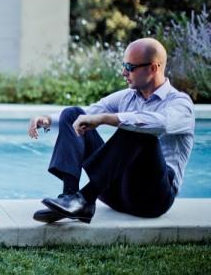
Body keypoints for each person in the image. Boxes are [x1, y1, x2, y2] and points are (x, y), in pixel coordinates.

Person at [28, 38, 195, 224]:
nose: (124, 72)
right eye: (124, 65)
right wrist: (47, 120)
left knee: (140, 131)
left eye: (130, 67)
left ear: (153, 68)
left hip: (153, 198)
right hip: (116, 193)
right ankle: (70, 199)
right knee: (72, 114)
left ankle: (84, 198)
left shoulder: (180, 104)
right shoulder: (128, 97)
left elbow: (161, 123)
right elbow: (89, 112)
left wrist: (106, 119)